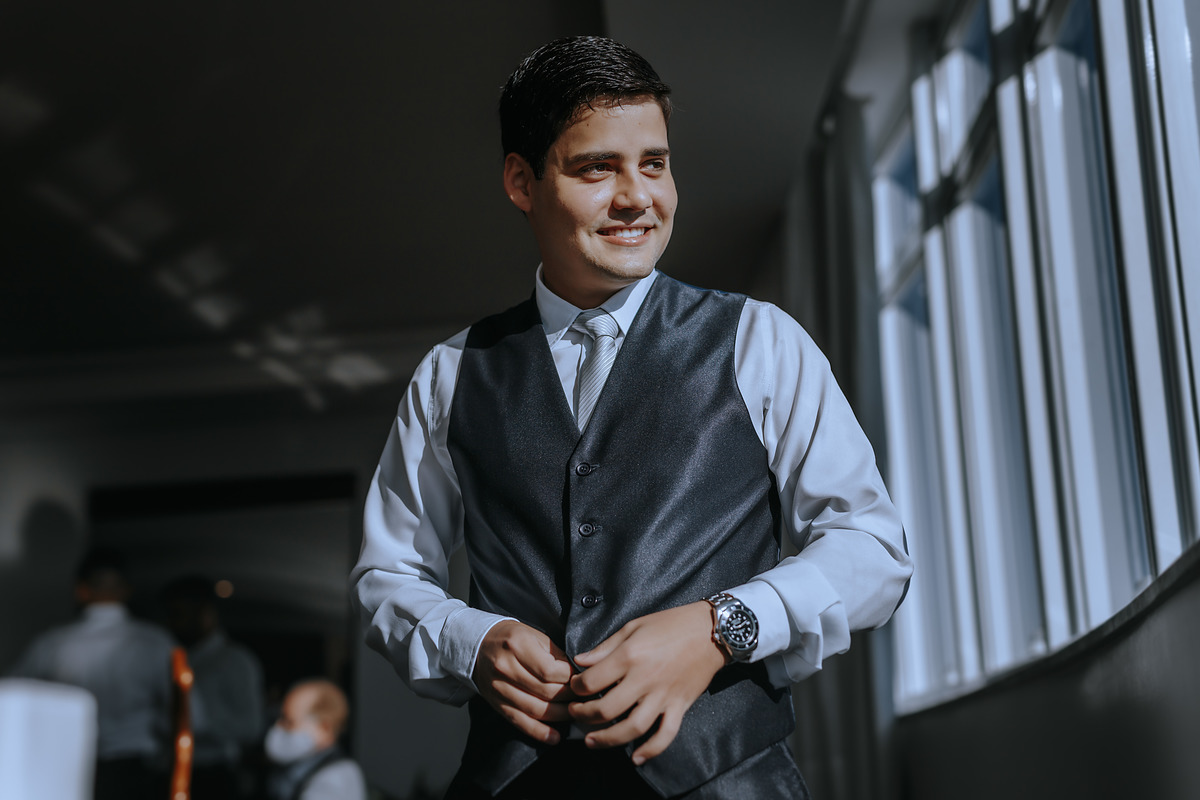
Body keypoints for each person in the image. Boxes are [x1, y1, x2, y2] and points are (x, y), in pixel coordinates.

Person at [352, 35, 913, 799]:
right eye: (597, 168)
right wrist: (470, 640)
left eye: (654, 163)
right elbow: (389, 575)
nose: (636, 197)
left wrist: (723, 626)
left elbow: (873, 547)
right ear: (522, 181)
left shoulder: (761, 340)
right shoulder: (452, 374)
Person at [9, 546, 175, 800]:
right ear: (126, 589)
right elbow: (190, 714)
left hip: (66, 762)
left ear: (81, 590)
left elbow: (14, 701)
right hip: (134, 767)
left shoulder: (51, 644)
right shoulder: (156, 643)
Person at [162, 574, 266, 799]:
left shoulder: (235, 661)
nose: (174, 622)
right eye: (171, 615)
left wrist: (200, 723)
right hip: (164, 771)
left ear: (206, 613)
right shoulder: (168, 658)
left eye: (181, 614)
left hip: (212, 776)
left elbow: (251, 727)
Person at [263, 679, 367, 800]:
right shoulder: (300, 766)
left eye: (289, 722)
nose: (279, 727)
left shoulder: (337, 776)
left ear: (324, 728)